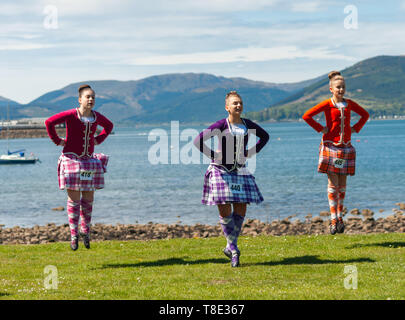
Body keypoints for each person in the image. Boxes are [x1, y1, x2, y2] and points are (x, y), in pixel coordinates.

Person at [194, 91, 269, 267]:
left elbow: (265, 137)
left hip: (240, 169)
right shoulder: (222, 124)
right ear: (227, 107)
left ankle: (229, 245)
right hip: (221, 170)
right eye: (235, 103)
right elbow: (198, 140)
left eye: (240, 103)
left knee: (241, 208)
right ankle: (234, 249)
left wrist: (251, 152)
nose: (238, 105)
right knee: (224, 208)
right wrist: (214, 155)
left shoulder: (247, 125)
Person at [45, 84, 113, 250]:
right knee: (74, 200)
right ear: (80, 99)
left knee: (88, 199)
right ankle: (73, 234)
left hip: (89, 161)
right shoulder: (71, 115)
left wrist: (98, 140)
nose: (90, 99)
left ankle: (85, 231)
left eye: (93, 97)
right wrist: (58, 141)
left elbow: (109, 126)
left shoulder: (96, 117)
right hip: (72, 161)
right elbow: (49, 122)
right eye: (87, 97)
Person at [302, 71, 369, 235]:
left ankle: (340, 218)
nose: (341, 90)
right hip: (331, 147)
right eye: (338, 87)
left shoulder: (350, 104)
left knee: (342, 185)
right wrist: (321, 128)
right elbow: (307, 116)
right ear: (331, 89)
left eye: (343, 87)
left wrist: (355, 129)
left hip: (345, 148)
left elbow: (365, 115)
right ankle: (333, 219)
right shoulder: (327, 104)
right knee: (333, 184)